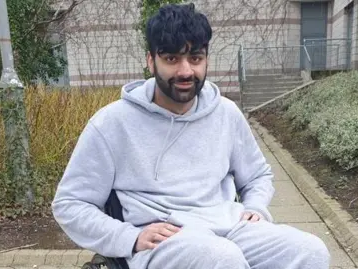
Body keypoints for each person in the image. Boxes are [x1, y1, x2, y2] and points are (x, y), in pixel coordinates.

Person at [51, 3, 330, 269]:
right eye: (171, 58)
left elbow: (257, 175)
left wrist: (255, 206)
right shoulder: (112, 123)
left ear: (206, 59)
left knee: (310, 251)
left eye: (195, 58)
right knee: (221, 259)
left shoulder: (225, 113)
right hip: (165, 241)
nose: (185, 71)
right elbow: (70, 204)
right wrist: (128, 237)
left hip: (229, 227)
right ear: (151, 60)